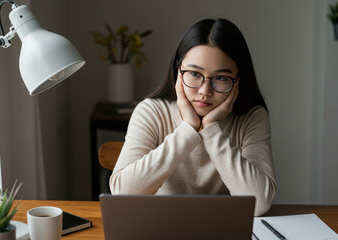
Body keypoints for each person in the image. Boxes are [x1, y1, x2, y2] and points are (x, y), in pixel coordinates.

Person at [109, 18, 276, 216]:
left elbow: (259, 204)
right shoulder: (152, 112)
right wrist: (188, 129)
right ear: (178, 71)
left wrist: (211, 130)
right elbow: (122, 194)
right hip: (163, 224)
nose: (205, 91)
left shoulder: (251, 117)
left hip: (224, 226)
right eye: (194, 74)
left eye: (221, 78)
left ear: (239, 80)